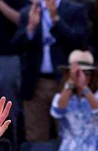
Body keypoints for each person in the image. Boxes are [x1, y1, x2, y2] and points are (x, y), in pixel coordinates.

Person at [13, 0, 90, 142]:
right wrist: (30, 27)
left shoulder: (75, 10)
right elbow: (16, 47)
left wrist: (56, 19)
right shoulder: (28, 12)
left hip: (66, 82)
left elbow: (80, 42)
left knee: (69, 135)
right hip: (36, 85)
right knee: (36, 138)